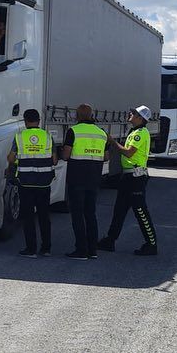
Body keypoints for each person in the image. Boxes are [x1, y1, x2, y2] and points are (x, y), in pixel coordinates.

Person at [98, 105, 158, 256]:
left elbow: (129, 153)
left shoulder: (141, 133)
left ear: (140, 118)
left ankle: (151, 244)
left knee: (140, 211)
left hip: (136, 177)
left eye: (134, 113)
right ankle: (110, 240)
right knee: (119, 210)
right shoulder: (134, 131)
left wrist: (111, 141)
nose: (130, 114)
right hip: (128, 176)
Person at [6, 108, 57, 258]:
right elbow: (54, 159)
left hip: (25, 182)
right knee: (44, 216)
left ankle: (31, 249)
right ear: (39, 121)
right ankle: (46, 248)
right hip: (44, 182)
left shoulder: (20, 136)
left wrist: (17, 160)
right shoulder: (47, 136)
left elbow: (10, 158)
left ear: (25, 121)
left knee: (28, 216)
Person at [61, 104, 109, 260]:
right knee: (90, 214)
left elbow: (66, 155)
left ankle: (81, 250)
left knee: (77, 215)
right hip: (94, 179)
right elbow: (107, 157)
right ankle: (93, 250)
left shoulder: (73, 131)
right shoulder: (102, 133)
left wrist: (61, 153)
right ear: (91, 114)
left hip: (77, 179)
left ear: (77, 116)